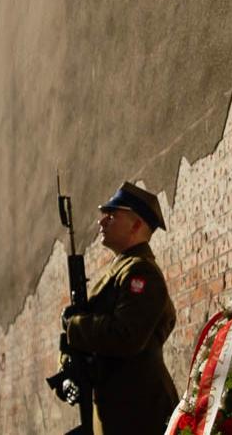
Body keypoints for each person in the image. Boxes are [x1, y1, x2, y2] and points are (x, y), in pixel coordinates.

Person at [61, 182, 178, 434]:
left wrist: (76, 325)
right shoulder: (119, 271)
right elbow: (88, 339)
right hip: (115, 411)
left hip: (140, 413)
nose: (102, 222)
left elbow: (126, 335)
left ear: (136, 225)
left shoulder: (141, 272)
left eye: (112, 215)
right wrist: (69, 369)